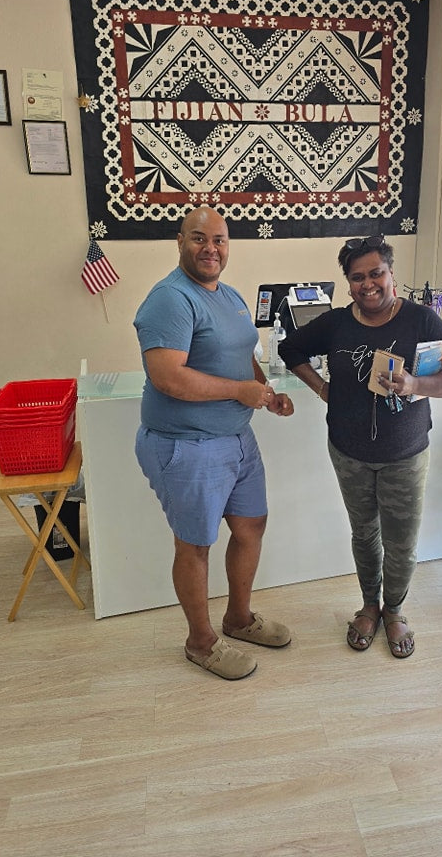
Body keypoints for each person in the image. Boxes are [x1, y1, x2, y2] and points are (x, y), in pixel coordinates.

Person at [278, 234, 442, 658]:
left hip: (405, 454)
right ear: (348, 283)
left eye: (376, 273)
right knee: (364, 534)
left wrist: (416, 384)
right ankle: (369, 605)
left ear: (391, 274)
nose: (368, 284)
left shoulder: (421, 320)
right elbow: (290, 348)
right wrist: (323, 388)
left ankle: (394, 611)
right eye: (357, 277)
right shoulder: (336, 323)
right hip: (349, 453)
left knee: (401, 542)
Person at [133, 206, 295, 680]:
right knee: (196, 545)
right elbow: (167, 377)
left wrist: (264, 393)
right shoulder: (170, 299)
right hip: (187, 445)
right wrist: (237, 392)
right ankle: (200, 642)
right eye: (199, 238)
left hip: (237, 438)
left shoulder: (230, 296)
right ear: (180, 242)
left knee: (251, 527)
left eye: (219, 240)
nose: (211, 249)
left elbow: (243, 354)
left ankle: (238, 619)